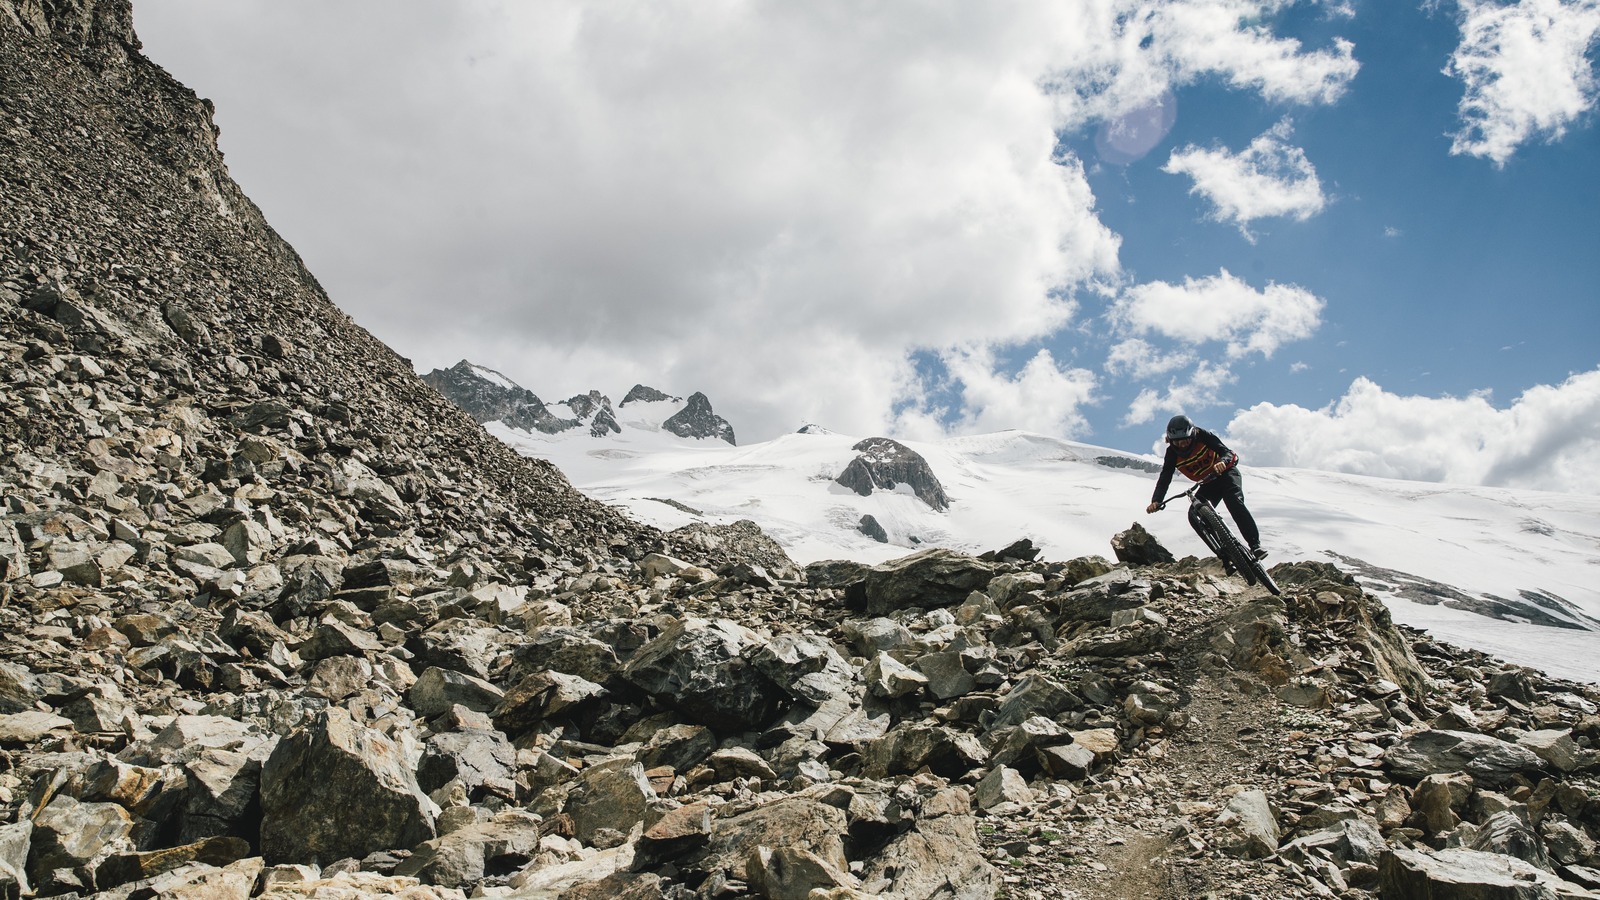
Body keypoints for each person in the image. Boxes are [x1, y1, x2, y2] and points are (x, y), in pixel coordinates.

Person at [1145, 414, 1266, 560]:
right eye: (1177, 442)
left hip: (1226, 474)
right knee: (1194, 515)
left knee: (1233, 501)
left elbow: (1227, 452)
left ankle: (1255, 545)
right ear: (1170, 440)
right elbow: (1165, 477)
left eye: (1185, 440)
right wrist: (1156, 500)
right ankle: (1225, 555)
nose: (1182, 445)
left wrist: (1222, 461)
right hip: (1208, 483)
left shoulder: (1203, 436)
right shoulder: (1171, 453)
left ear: (1192, 434)